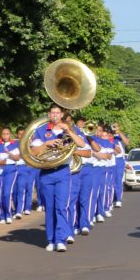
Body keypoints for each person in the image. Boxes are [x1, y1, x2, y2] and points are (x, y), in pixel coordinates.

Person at [30, 105, 86, 252]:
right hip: (46, 172)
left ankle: (60, 239)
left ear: (61, 115)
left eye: (57, 113)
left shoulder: (68, 130)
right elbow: (34, 152)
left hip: (63, 172)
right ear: (49, 114)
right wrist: (45, 144)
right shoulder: (41, 131)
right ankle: (51, 239)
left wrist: (68, 131)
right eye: (52, 113)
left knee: (61, 206)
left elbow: (81, 144)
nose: (55, 115)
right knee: (50, 208)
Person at [111, 121, 130, 209]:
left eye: (116, 126)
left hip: (119, 159)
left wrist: (119, 133)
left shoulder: (122, 135)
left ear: (119, 127)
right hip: (110, 159)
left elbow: (127, 143)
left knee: (118, 180)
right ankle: (111, 199)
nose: (115, 128)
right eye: (113, 126)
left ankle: (118, 199)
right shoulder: (109, 135)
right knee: (110, 181)